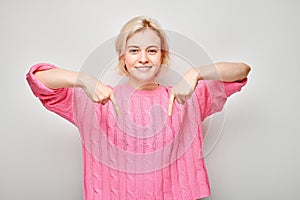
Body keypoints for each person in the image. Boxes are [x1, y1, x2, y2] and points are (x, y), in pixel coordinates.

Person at [26, 16, 251, 200]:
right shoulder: (98, 99)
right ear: (122, 57)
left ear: (162, 56)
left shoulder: (186, 97)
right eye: (134, 51)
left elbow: (242, 70)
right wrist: (83, 79)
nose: (143, 58)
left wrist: (196, 73)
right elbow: (39, 78)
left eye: (151, 50)